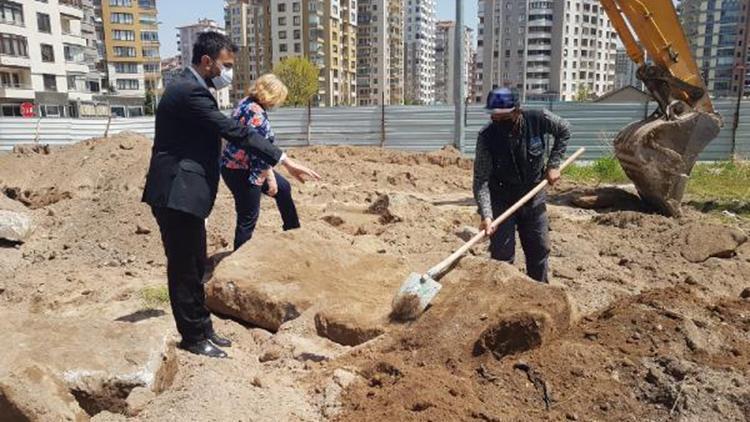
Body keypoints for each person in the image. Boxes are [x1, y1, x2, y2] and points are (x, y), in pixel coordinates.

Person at [142, 32, 320, 358]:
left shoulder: (192, 87)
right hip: (175, 192)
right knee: (184, 268)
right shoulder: (188, 91)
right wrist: (285, 161)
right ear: (206, 61)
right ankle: (194, 338)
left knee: (196, 263)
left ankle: (203, 328)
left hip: (186, 192)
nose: (229, 73)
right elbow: (235, 132)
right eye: (226, 65)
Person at [473, 87, 570, 283]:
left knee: (539, 250)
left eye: (504, 117)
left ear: (517, 111)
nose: (499, 122)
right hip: (501, 199)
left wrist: (553, 164)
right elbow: (481, 179)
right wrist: (487, 214)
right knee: (502, 256)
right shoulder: (486, 137)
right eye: (495, 117)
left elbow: (564, 129)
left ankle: (539, 292)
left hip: (533, 195)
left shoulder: (538, 118)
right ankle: (501, 299)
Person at [221, 74, 300, 250]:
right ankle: (239, 259)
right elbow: (257, 152)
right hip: (240, 170)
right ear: (271, 95)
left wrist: (270, 175)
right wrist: (268, 179)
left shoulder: (246, 103)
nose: (278, 103)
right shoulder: (256, 114)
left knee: (284, 188)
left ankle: (293, 232)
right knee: (248, 216)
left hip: (240, 165)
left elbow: (260, 149)